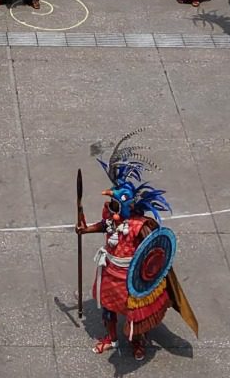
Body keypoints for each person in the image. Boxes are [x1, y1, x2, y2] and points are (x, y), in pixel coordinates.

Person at [73, 144, 194, 361]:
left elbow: (154, 250)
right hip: (110, 270)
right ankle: (111, 337)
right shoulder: (112, 217)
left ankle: (138, 341)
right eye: (111, 205)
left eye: (116, 206)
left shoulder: (140, 225)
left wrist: (149, 274)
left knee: (135, 313)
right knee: (108, 307)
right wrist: (86, 229)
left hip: (132, 277)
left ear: (127, 206)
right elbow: (104, 224)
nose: (112, 210)